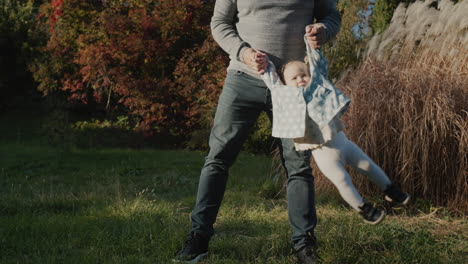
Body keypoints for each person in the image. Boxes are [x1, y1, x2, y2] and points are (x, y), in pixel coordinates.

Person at [174, 1, 342, 263]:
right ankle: (198, 238)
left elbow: (332, 15)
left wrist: (323, 29)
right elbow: (219, 22)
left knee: (298, 166)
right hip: (242, 80)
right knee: (218, 158)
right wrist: (243, 53)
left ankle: (304, 244)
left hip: (292, 85)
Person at [277, 59, 410, 225]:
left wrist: (312, 48)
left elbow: (318, 67)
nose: (300, 80)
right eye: (294, 78)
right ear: (286, 86)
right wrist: (266, 69)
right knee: (342, 180)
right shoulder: (291, 103)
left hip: (344, 145)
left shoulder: (318, 90)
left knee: (368, 166)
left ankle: (390, 189)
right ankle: (364, 209)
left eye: (303, 75)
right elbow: (274, 85)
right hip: (324, 155)